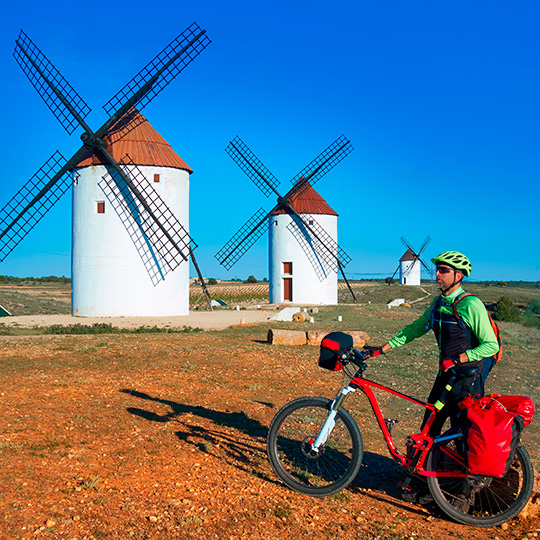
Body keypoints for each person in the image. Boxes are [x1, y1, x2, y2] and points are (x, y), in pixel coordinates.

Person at [364, 251, 500, 502]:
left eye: (443, 270)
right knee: (430, 427)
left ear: (458, 276)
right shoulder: (439, 303)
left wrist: (458, 360)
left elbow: (490, 345)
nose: (436, 274)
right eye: (436, 269)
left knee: (463, 435)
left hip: (468, 379)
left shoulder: (471, 305)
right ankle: (424, 482)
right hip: (445, 377)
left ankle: (463, 497)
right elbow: (416, 328)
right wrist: (382, 349)